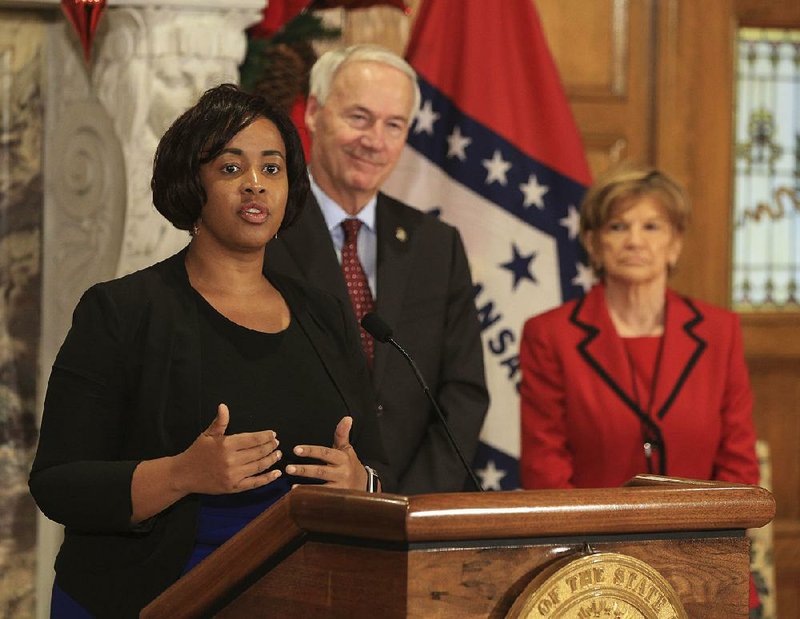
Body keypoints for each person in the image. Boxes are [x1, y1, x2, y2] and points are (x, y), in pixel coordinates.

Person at [29, 84, 388, 618]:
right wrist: (182, 474)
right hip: (150, 596)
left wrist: (359, 482)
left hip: (305, 594)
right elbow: (59, 484)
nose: (255, 186)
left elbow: (377, 465)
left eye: (272, 169)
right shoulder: (122, 311)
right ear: (190, 182)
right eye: (230, 168)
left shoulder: (325, 316)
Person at [265, 44, 488, 494]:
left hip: (417, 506)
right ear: (313, 113)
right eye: (359, 118)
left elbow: (463, 393)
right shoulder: (265, 230)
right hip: (293, 503)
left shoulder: (436, 245)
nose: (375, 141)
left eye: (394, 125)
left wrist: (401, 503)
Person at [519, 163, 759, 490]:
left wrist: (708, 537)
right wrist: (591, 539)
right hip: (590, 539)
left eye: (651, 227)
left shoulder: (719, 332)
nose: (634, 241)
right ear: (593, 244)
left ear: (675, 244)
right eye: (617, 227)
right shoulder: (550, 335)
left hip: (700, 537)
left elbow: (739, 463)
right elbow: (544, 468)